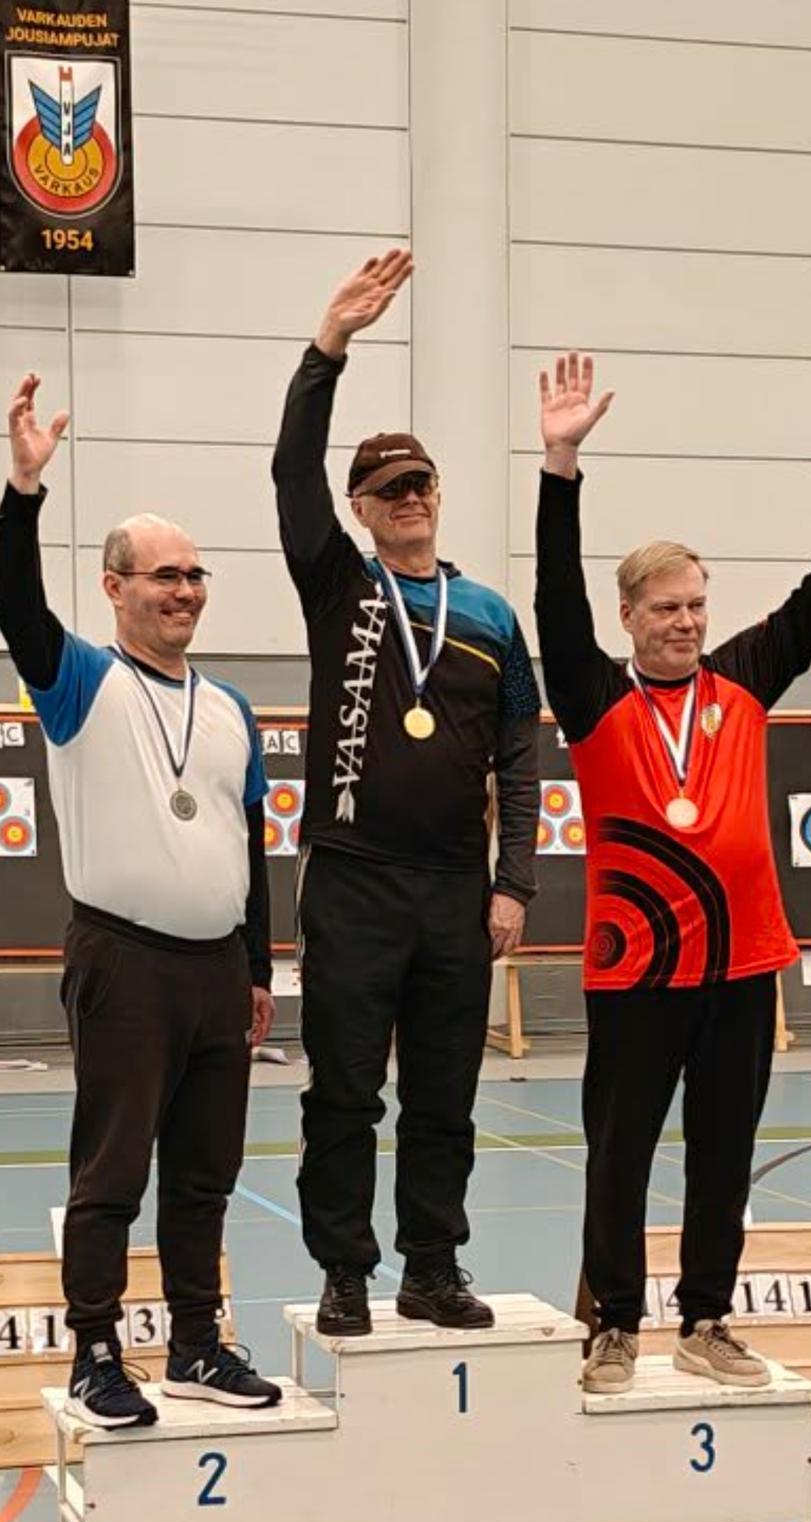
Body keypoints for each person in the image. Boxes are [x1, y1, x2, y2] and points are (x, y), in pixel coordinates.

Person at [0, 374, 281, 1426]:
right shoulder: (79, 681)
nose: (186, 591)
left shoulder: (231, 708)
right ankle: (95, 1353)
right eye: (165, 575)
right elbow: (15, 604)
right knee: (112, 1169)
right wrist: (24, 491)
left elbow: (248, 844)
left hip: (217, 971)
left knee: (205, 1173)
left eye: (196, 574)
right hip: (121, 960)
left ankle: (199, 1345)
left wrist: (258, 970)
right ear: (114, 587)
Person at [534, 352, 811, 1394]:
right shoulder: (594, 698)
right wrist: (559, 468)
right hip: (637, 970)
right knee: (619, 1152)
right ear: (628, 616)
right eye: (666, 608)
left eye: (696, 605)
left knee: (723, 1153)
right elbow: (552, 598)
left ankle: (705, 1319)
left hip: (742, 966)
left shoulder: (740, 680)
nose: (687, 622)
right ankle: (613, 1323)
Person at [273, 251, 541, 1335]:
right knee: (343, 1090)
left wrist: (513, 882)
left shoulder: (489, 615)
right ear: (362, 507)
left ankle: (432, 1265)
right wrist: (327, 349)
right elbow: (291, 471)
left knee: (444, 1094)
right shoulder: (340, 585)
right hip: (351, 879)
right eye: (389, 488)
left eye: (421, 482)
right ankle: (345, 1270)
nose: (411, 497)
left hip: (453, 889)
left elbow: (518, 755)